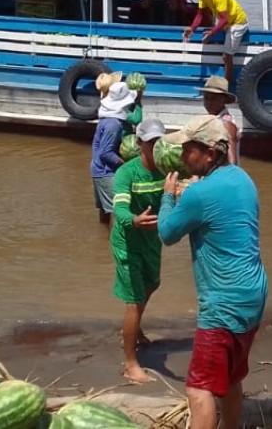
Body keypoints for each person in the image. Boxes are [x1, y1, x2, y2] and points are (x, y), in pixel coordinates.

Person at [143, 115, 266, 429]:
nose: (183, 155)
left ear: (211, 153)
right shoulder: (242, 178)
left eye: (189, 149)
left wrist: (168, 194)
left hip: (222, 304)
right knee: (231, 376)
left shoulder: (199, 194)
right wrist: (189, 194)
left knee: (200, 387)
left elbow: (167, 233)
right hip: (252, 295)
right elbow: (218, 209)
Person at [110, 118, 168, 384]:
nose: (155, 147)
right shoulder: (127, 173)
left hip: (151, 240)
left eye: (160, 142)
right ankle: (130, 364)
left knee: (152, 284)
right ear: (139, 143)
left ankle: (134, 330)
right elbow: (119, 208)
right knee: (133, 301)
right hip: (128, 241)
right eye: (151, 142)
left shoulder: (167, 170)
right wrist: (133, 219)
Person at [183, 0, 248, 88]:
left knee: (226, 56)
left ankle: (226, 86)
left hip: (237, 22)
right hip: (225, 22)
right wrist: (192, 28)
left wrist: (212, 33)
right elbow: (200, 15)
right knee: (215, 43)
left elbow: (224, 19)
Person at [90, 73, 135, 225]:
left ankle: (102, 240)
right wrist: (125, 165)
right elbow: (105, 153)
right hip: (105, 171)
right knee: (117, 211)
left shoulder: (106, 118)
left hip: (97, 169)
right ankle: (113, 245)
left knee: (104, 209)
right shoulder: (114, 124)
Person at [199, 75, 241, 165]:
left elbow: (232, 159)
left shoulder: (226, 123)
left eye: (214, 99)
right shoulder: (211, 119)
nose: (209, 103)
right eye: (206, 98)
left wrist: (232, 174)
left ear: (224, 99)